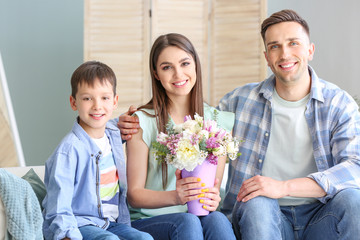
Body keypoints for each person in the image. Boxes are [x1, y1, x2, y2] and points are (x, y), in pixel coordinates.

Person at [118, 10, 360, 240]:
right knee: (257, 203)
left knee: (353, 199)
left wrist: (283, 187)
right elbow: (188, 117)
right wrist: (117, 124)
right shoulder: (239, 102)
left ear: (310, 50)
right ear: (266, 57)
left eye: (293, 43)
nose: (284, 54)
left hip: (321, 214)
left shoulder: (338, 104)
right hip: (262, 213)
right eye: (274, 46)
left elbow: (355, 168)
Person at [125, 33, 236, 239]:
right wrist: (176, 197)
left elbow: (214, 184)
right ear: (156, 74)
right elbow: (134, 195)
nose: (178, 74)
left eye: (185, 63)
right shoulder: (142, 122)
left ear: (195, 66)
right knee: (187, 222)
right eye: (167, 67)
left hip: (196, 216)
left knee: (218, 219)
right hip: (149, 220)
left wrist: (213, 198)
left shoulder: (217, 122)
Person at [42, 61, 153, 240]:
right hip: (79, 224)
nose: (97, 106)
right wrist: (66, 235)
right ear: (73, 102)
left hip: (110, 223)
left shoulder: (112, 134)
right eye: (87, 98)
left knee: (145, 238)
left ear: (115, 101)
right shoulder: (69, 150)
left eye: (105, 98)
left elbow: (115, 124)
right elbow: (58, 204)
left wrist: (133, 117)